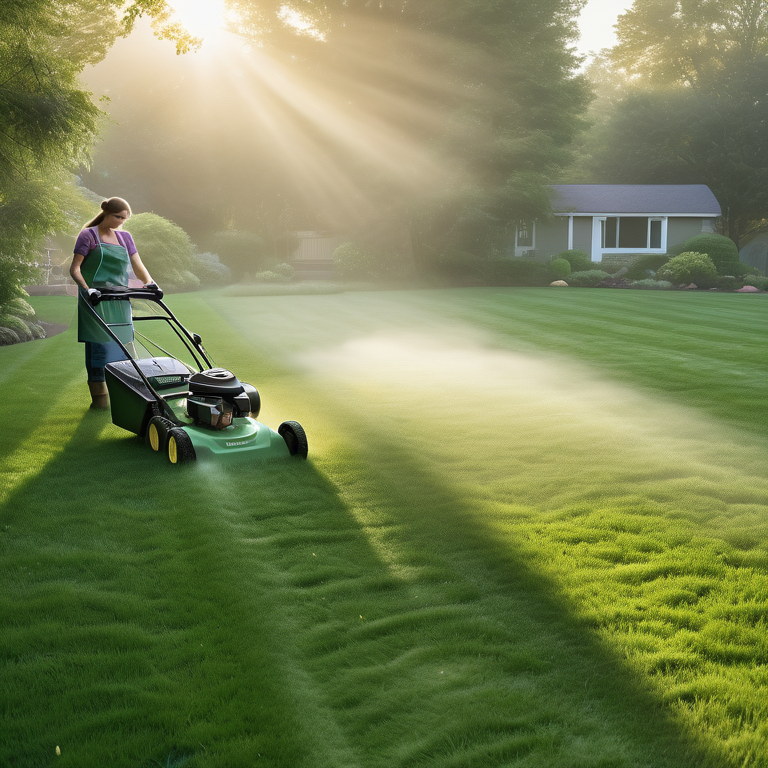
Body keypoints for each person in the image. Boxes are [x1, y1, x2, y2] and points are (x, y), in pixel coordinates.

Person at [70, 197, 158, 409]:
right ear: (106, 213)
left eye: (124, 219)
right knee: (99, 345)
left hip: (119, 297)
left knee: (125, 342)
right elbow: (75, 269)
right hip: (95, 299)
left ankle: (131, 393)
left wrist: (151, 283)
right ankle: (100, 400)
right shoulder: (88, 235)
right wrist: (87, 288)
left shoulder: (125, 238)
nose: (121, 221)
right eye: (118, 217)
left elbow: (138, 265)